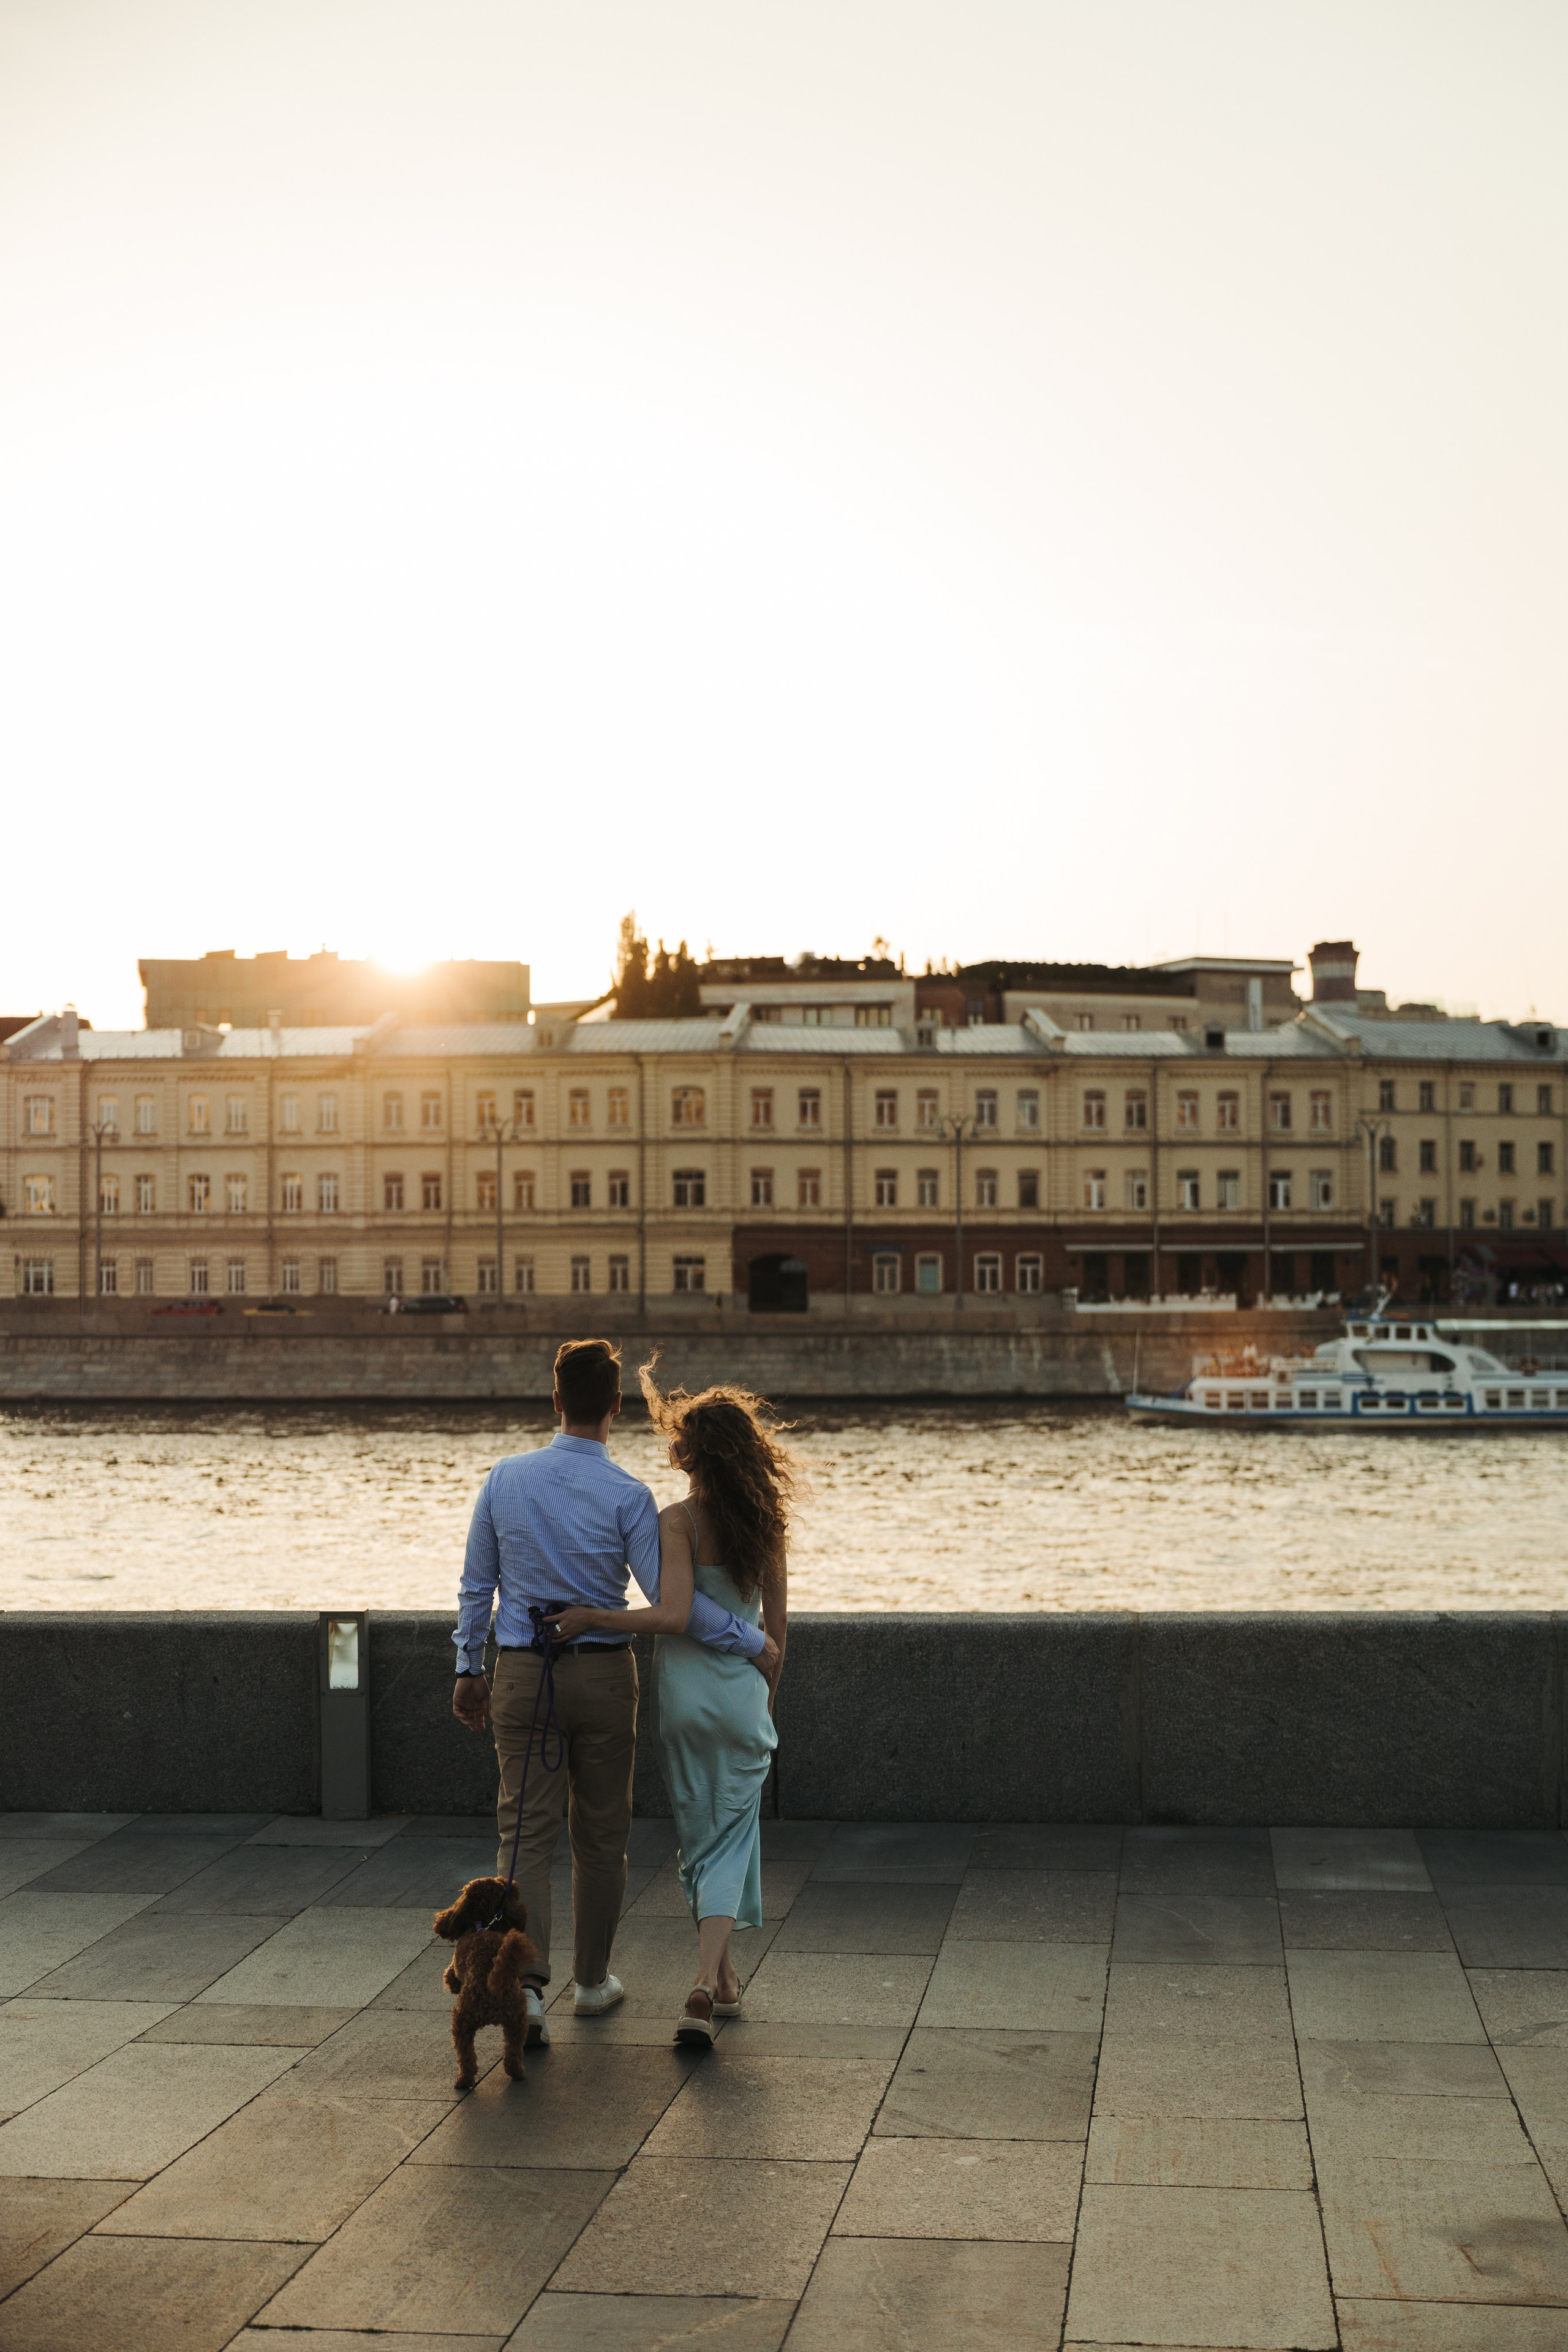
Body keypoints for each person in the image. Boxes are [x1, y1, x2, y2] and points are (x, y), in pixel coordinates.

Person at [451, 1337, 777, 2047]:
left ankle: (527, 1991)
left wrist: (468, 1669)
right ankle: (593, 1983)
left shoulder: (505, 1479)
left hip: (523, 1672)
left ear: (556, 1399)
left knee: (524, 1836)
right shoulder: (630, 1495)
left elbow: (477, 1586)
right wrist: (750, 1640)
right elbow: (674, 1603)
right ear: (616, 1407)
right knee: (601, 1838)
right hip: (604, 1678)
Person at [545, 1359, 793, 2049]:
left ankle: (722, 1982)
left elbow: (671, 1615)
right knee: (730, 1837)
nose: (671, 1445)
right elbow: (776, 1639)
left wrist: (593, 1615)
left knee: (703, 1839)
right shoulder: (768, 1524)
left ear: (696, 1453)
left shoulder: (677, 1521)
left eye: (679, 1438)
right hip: (741, 1697)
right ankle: (704, 1984)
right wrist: (765, 1705)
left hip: (683, 1699)